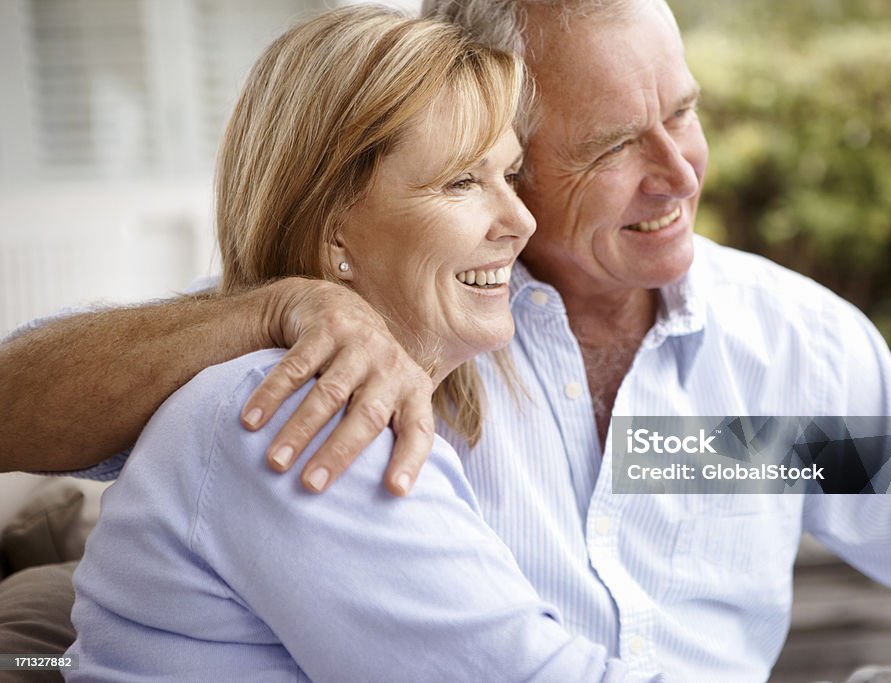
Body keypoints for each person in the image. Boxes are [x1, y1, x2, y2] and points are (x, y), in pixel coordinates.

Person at [2, 1, 891, 681]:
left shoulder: (775, 352)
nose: (678, 173)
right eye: (614, 144)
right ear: (507, 151)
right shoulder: (364, 336)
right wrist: (261, 309)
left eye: (683, 113)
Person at [65, 6, 636, 681]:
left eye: (509, 175)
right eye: (462, 181)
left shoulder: (773, 318)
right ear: (336, 233)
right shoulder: (300, 406)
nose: (521, 220)